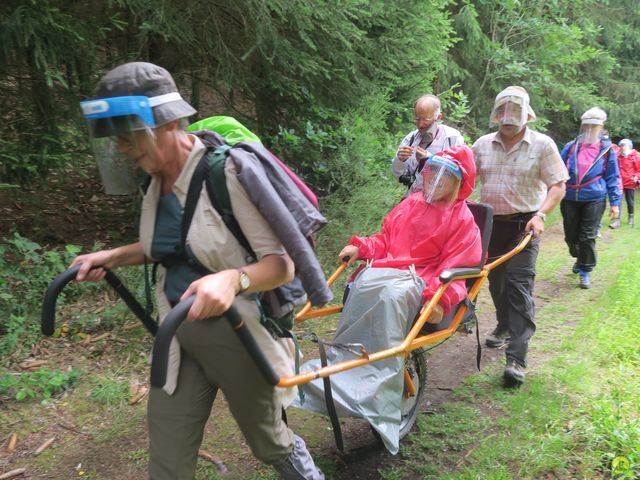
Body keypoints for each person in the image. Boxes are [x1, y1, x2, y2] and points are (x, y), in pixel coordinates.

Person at [71, 62, 324, 480]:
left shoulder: (225, 173)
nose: (121, 149)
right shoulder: (154, 182)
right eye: (114, 139)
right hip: (177, 337)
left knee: (270, 443)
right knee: (167, 457)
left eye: (128, 136)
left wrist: (233, 279)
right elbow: (173, 246)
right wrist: (112, 256)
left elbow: (281, 264)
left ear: (168, 124)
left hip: (239, 337)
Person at [295, 146, 481, 453]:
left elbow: (457, 268)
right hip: (390, 270)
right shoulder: (410, 204)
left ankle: (378, 385)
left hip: (422, 281)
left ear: (460, 182)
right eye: (433, 171)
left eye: (446, 175)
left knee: (392, 295)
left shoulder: (462, 221)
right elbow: (386, 240)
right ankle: (345, 366)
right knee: (362, 282)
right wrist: (363, 248)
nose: (436, 179)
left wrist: (439, 298)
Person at [472, 86, 569, 386]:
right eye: (503, 113)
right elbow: (465, 180)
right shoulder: (482, 145)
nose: (508, 119)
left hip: (525, 226)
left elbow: (558, 185)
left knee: (518, 286)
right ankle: (503, 325)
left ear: (527, 115)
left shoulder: (543, 145)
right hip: (490, 226)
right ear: (496, 115)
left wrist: (540, 215)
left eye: (514, 113)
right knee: (497, 283)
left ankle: (516, 359)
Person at [560, 108, 621, 289]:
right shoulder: (570, 147)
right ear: (582, 126)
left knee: (587, 236)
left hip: (594, 197)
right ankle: (579, 258)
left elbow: (613, 177)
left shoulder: (607, 151)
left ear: (601, 127)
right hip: (569, 196)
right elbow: (557, 170)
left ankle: (585, 270)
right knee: (571, 237)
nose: (590, 129)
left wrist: (615, 203)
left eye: (594, 126)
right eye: (587, 125)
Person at [391, 94, 465, 195]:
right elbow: (399, 176)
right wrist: (400, 160)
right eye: (417, 119)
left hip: (441, 201)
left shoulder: (453, 138)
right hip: (413, 199)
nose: (420, 124)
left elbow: (460, 175)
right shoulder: (411, 138)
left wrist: (429, 160)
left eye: (425, 120)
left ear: (438, 117)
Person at [616, 138, 640, 226]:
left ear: (629, 146)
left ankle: (631, 217)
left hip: (630, 183)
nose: (622, 147)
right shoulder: (617, 156)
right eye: (621, 145)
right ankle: (617, 219)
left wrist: (636, 177)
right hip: (619, 183)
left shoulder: (635, 156)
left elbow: (639, 170)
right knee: (617, 201)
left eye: (624, 145)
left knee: (630, 201)